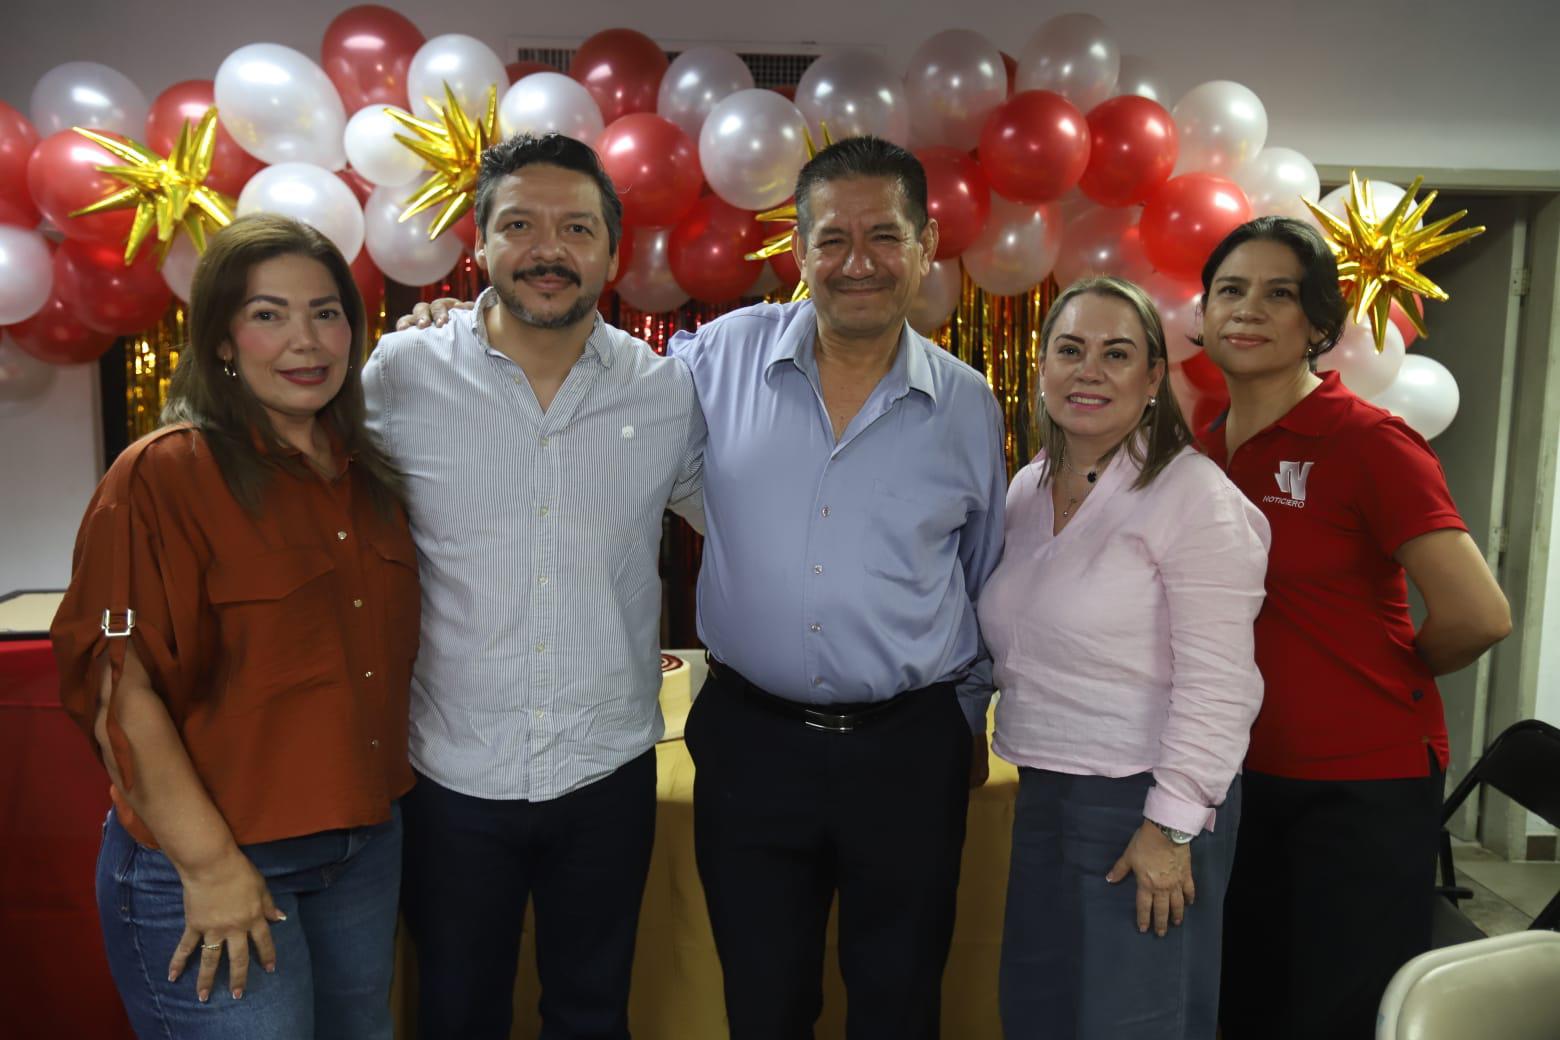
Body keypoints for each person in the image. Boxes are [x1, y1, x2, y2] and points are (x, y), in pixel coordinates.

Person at [401, 134, 1006, 1039]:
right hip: (752, 745)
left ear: (926, 246)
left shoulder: (968, 404)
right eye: (832, 239)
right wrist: (456, 323)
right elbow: (578, 366)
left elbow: (980, 571)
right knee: (761, 1003)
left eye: (885, 236)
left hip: (908, 750)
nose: (859, 262)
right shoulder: (712, 361)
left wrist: (960, 720)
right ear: (798, 252)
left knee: (902, 1001)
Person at [363, 132, 704, 1040]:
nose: (548, 250)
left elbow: (746, 521)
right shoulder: (401, 375)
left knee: (592, 1014)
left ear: (612, 254)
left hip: (606, 771)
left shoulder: (665, 393)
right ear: (479, 243)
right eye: (520, 225)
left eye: (577, 228)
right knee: (455, 1012)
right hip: (451, 774)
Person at [50, 213, 418, 1039]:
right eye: (268, 314)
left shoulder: (371, 478)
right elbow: (120, 694)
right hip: (217, 860)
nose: (305, 340)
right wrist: (211, 866)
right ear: (222, 339)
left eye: (326, 313)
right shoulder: (162, 476)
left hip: (363, 849)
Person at [1192, 216, 1513, 1040]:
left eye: (1279, 294)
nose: (1248, 309)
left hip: (1360, 787)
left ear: (1319, 325)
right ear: (1203, 312)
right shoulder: (1202, 450)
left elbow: (1479, 614)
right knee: (1243, 1003)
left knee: (1334, 1015)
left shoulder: (1368, 441)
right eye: (1230, 289)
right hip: (1238, 779)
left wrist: (1377, 676)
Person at [977, 276, 1270, 1039]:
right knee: (1041, 1010)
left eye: (1116, 354)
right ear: (1041, 366)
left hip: (1149, 798)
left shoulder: (1192, 494)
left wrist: (1171, 827)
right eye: (1070, 350)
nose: (1089, 371)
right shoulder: (1027, 489)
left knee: (1135, 1021)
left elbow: (1221, 683)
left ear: (1153, 378)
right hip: (1045, 788)